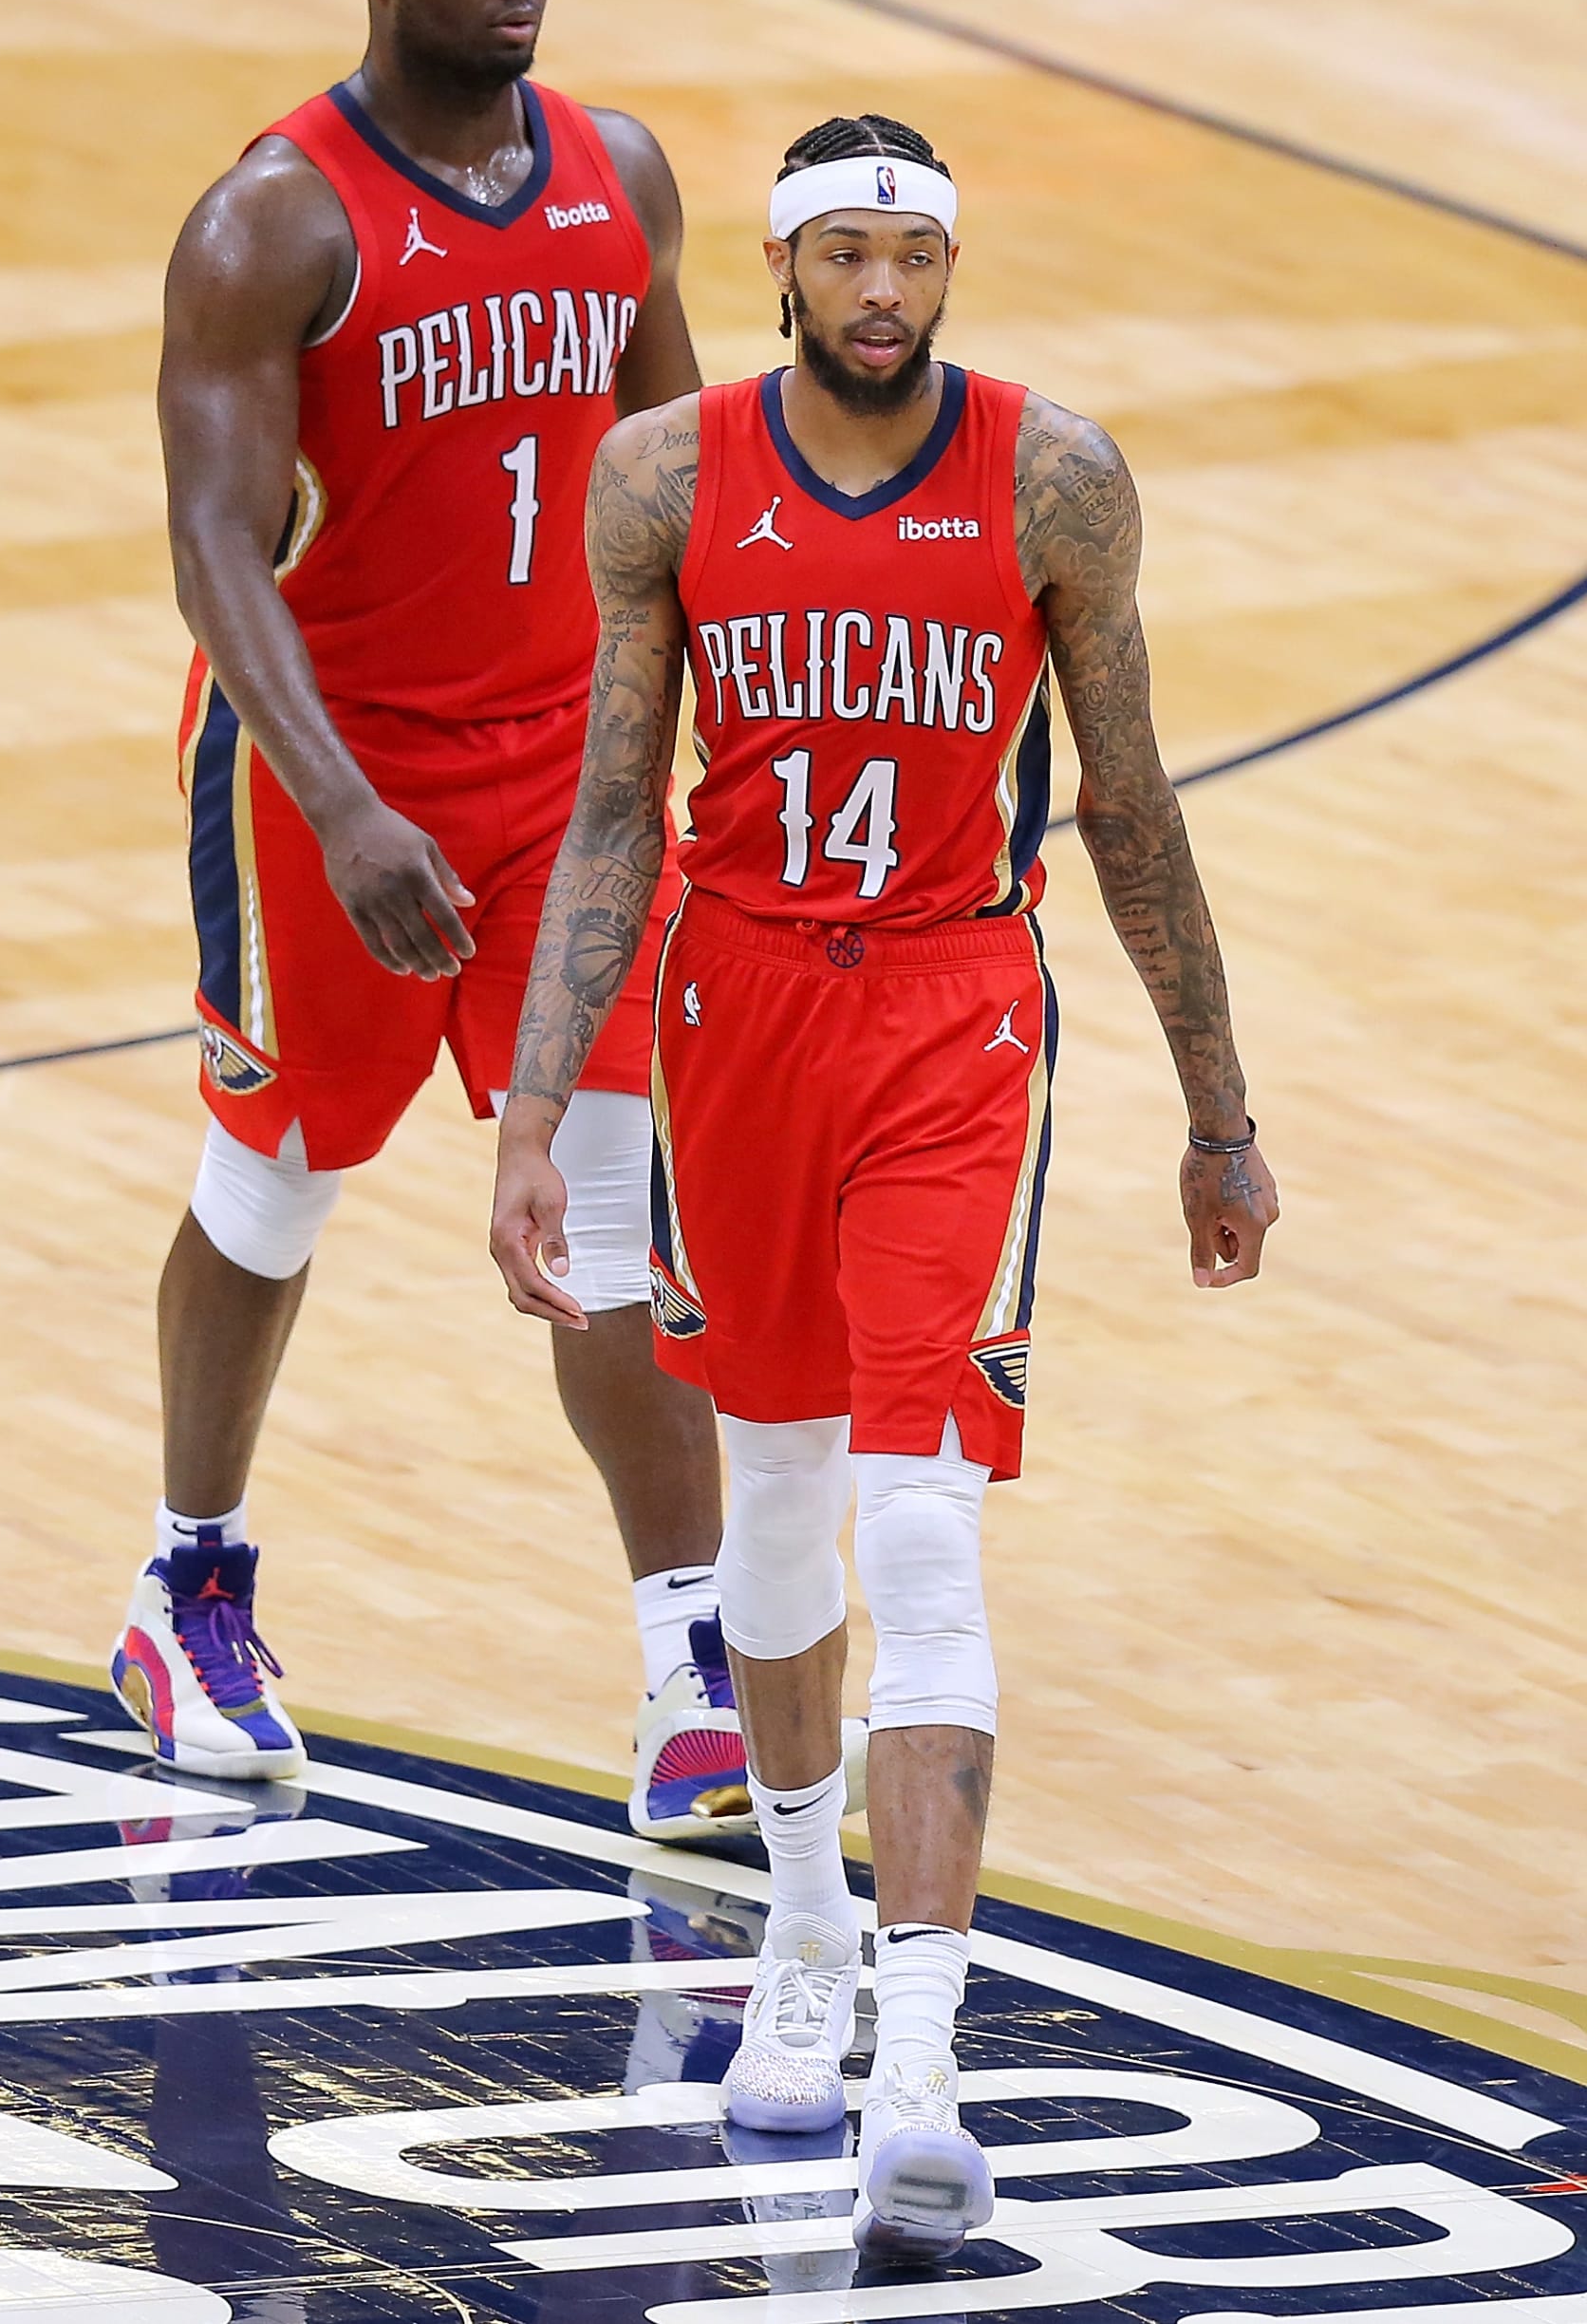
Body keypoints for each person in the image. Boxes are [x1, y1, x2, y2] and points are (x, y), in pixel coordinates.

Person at [490, 112, 1279, 2262]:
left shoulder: (1052, 476)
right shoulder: (663, 475)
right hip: (732, 1010)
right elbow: (613, 809)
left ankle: (920, 2052)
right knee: (768, 1508)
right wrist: (542, 1105)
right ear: (780, 271)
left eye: (911, 257)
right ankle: (809, 1935)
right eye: (843, 255)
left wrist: (1218, 1106)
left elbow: (1126, 804)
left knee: (922, 1525)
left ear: (947, 271)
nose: (881, 293)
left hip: (950, 1015)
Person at [112, 0, 742, 1837]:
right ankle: (187, 1581)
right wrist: (346, 803)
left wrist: (719, 720)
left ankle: (689, 1660)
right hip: (330, 767)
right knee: (275, 1184)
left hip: (564, 766)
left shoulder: (617, 171)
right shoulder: (274, 222)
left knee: (627, 1211)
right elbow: (215, 551)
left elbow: (671, 474)